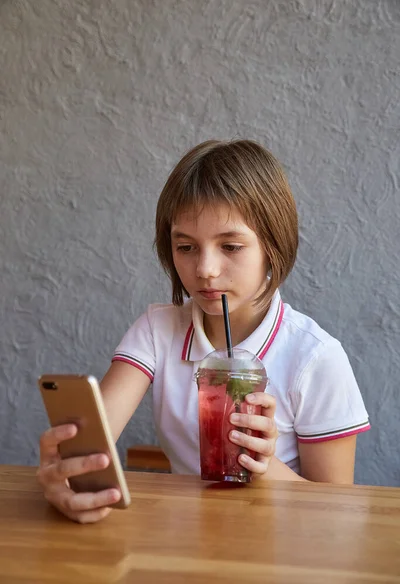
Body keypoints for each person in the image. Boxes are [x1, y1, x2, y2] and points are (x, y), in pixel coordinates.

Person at [37, 139, 370, 523]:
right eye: (186, 247)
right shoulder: (158, 330)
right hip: (187, 538)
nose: (206, 269)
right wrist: (64, 479)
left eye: (230, 246)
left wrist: (263, 467)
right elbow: (94, 442)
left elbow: (338, 513)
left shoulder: (315, 356)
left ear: (272, 246)